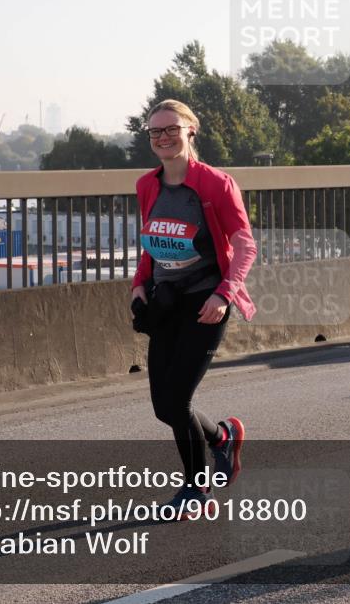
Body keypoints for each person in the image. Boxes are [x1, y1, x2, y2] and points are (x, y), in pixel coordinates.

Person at [131, 99, 257, 520]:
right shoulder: (147, 185)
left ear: (190, 131)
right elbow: (151, 241)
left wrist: (224, 294)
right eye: (155, 131)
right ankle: (222, 437)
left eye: (171, 129)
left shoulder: (216, 184)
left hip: (206, 302)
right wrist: (138, 284)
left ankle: (196, 489)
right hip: (165, 302)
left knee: (178, 400)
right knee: (164, 408)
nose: (163, 137)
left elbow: (244, 245)